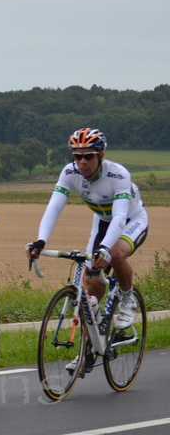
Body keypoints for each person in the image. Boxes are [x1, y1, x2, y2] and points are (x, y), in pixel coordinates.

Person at [26, 128, 148, 338]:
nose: (81, 162)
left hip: (131, 219)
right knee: (92, 284)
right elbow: (54, 207)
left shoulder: (118, 175)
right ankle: (92, 342)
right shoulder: (69, 173)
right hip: (102, 222)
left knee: (116, 254)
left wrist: (104, 248)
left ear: (100, 156)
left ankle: (127, 298)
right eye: (77, 155)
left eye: (88, 156)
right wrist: (41, 240)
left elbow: (119, 216)